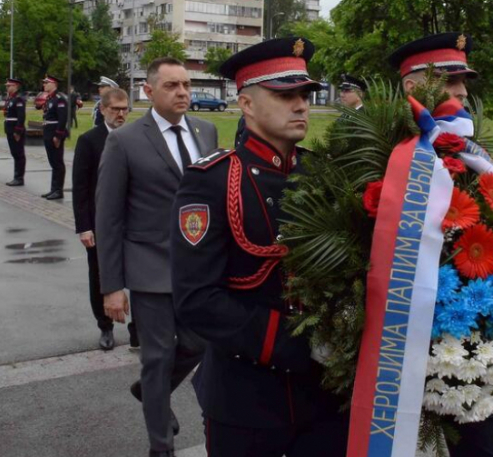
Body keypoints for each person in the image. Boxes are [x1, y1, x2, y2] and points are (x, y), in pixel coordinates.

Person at [172, 37, 348, 456]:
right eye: (284, 94)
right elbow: (196, 299)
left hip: (325, 397)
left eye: (304, 94)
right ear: (247, 104)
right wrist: (294, 344)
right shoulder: (211, 180)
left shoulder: (323, 175)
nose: (301, 104)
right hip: (246, 399)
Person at [96, 57, 218, 457]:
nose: (183, 92)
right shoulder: (125, 140)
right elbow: (108, 218)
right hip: (149, 267)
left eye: (186, 84)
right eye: (171, 86)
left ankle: (149, 393)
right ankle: (160, 446)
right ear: (148, 92)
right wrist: (112, 286)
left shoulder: (206, 131)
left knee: (200, 344)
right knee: (158, 356)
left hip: (198, 268)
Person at [389, 32, 493, 457]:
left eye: (463, 80)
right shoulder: (387, 151)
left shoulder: (471, 152)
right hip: (400, 349)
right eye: (451, 80)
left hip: (465, 348)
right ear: (414, 87)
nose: (462, 91)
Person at [72, 87, 138, 351]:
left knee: (139, 275)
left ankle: (139, 328)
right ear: (102, 110)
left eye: (124, 109)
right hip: (100, 224)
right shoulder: (90, 141)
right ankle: (105, 326)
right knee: (100, 275)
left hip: (133, 221)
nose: (121, 114)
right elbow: (80, 188)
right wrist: (84, 226)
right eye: (115, 109)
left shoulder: (137, 138)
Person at [40, 75, 69, 200]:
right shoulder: (50, 98)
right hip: (48, 132)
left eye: (47, 83)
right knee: (53, 162)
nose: (44, 85)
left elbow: (62, 119)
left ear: (54, 84)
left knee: (57, 162)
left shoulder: (59, 99)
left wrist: (58, 135)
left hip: (54, 133)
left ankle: (58, 190)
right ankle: (53, 189)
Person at [3, 78, 27, 187]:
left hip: (15, 130)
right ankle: (16, 176)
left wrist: (18, 131)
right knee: (15, 153)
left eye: (9, 86)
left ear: (15, 86)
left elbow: (21, 116)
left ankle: (19, 178)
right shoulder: (11, 99)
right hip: (9, 129)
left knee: (19, 154)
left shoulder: (18, 99)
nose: (7, 88)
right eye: (7, 86)